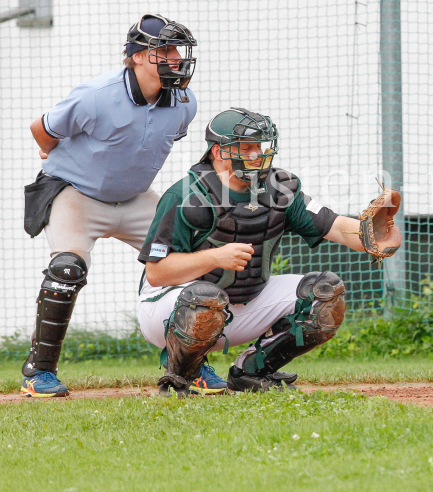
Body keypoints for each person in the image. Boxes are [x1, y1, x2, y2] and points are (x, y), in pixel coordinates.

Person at [136, 108, 401, 396]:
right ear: (219, 151)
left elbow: (333, 226)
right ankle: (183, 376)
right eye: (246, 148)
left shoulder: (280, 189)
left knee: (326, 292)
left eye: (259, 147)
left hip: (241, 305)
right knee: (205, 297)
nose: (256, 155)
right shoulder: (186, 195)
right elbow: (157, 272)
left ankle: (252, 371)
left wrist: (370, 236)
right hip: (168, 311)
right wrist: (214, 257)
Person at [21, 14, 198, 398]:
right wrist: (53, 158)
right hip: (76, 194)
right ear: (135, 56)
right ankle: (40, 371)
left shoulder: (184, 101)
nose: (174, 58)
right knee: (67, 268)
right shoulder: (97, 94)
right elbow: (42, 130)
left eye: (177, 50)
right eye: (162, 50)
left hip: (134, 199)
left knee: (190, 260)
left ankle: (189, 364)